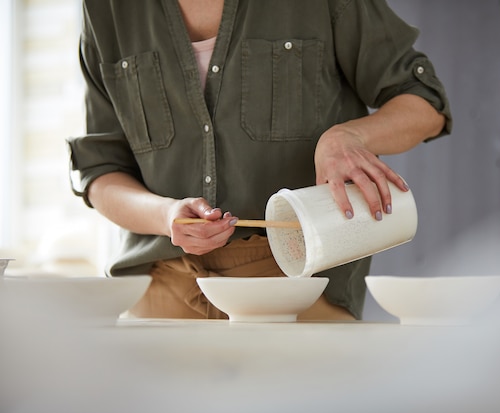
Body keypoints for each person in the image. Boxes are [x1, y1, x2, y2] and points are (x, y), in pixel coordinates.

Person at [68, 0, 452, 321]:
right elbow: (101, 171)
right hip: (161, 287)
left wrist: (349, 136)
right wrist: (166, 216)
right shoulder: (106, 8)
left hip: (298, 285)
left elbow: (424, 103)